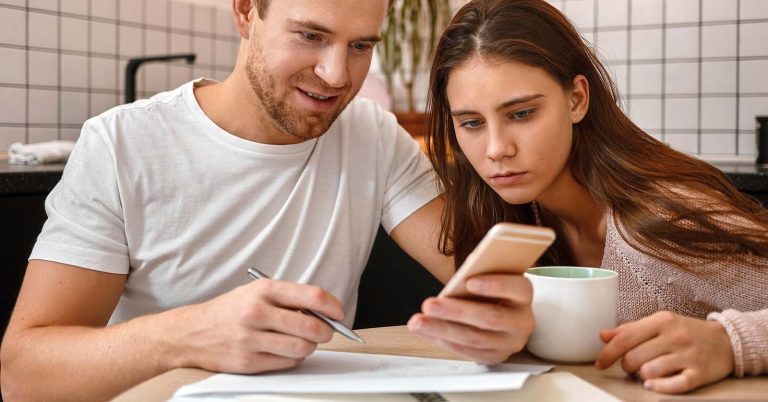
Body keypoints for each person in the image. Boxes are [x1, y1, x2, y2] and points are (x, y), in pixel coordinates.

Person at [0, 1, 535, 400]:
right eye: (309, 36)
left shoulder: (372, 135)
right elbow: (22, 375)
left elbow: (476, 271)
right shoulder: (121, 144)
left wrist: (511, 315)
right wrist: (186, 335)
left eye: (361, 46)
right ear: (245, 11)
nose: (337, 76)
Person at [423, 0, 768, 394]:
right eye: (471, 123)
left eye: (521, 114)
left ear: (576, 99)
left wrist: (728, 343)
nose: (496, 148)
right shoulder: (516, 221)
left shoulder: (661, 220)